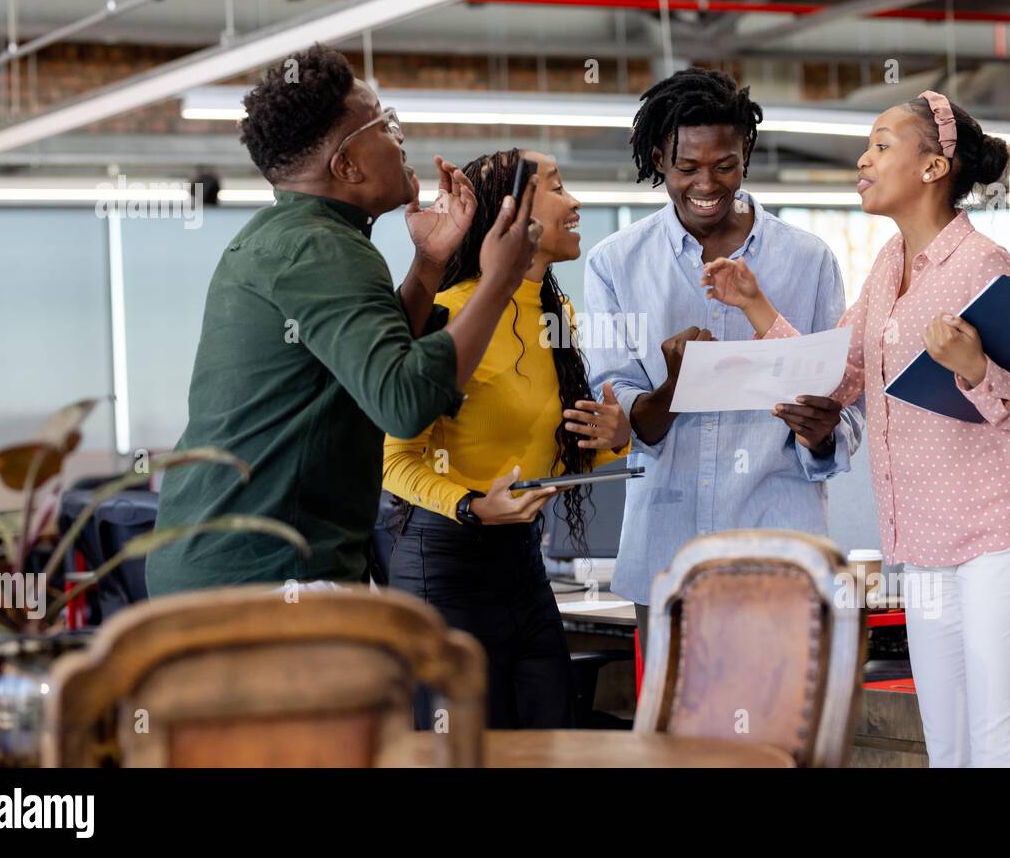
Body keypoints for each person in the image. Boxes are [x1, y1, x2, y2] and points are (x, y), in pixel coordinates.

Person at [703, 89, 1010, 768]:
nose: (862, 160)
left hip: (1002, 537)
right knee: (951, 752)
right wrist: (755, 305)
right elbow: (830, 379)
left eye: (879, 144)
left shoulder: (983, 264)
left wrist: (975, 367)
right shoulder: (884, 271)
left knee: (1000, 749)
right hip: (925, 548)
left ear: (934, 168)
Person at [146, 45, 540, 595]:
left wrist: (428, 266)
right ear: (347, 164)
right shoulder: (326, 250)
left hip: (218, 566)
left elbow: (366, 366)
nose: (400, 137)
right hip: (271, 577)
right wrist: (499, 279)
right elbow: (403, 401)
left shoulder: (276, 236)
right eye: (385, 124)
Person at [583, 67, 863, 651]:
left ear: (747, 154)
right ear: (660, 158)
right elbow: (626, 416)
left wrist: (825, 430)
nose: (706, 183)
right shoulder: (615, 264)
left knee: (784, 735)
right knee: (676, 736)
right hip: (667, 552)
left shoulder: (808, 261)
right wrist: (675, 384)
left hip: (782, 546)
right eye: (687, 167)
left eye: (724, 165)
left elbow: (848, 403)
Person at [382, 149, 631, 728]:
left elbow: (546, 449)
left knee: (552, 740)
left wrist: (614, 438)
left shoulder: (554, 307)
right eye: (559, 188)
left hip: (522, 569)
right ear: (512, 212)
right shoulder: (448, 314)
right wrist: (471, 506)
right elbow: (394, 459)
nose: (576, 202)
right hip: (443, 570)